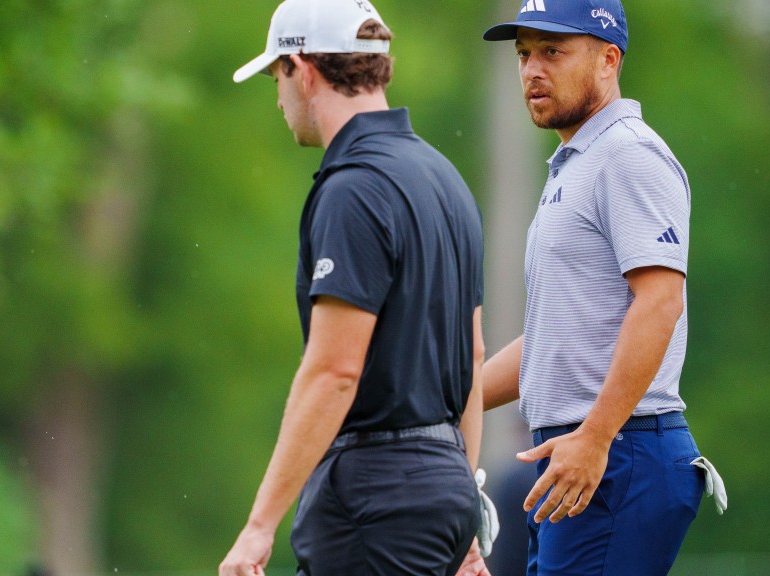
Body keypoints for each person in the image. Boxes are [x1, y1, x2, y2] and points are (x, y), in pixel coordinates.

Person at [220, 0, 487, 574]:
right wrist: (460, 506)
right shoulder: (444, 178)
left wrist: (260, 525)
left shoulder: (353, 188)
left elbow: (335, 371)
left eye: (276, 76)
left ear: (304, 68)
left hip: (375, 499)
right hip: (444, 487)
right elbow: (472, 355)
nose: (277, 97)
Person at [468, 0, 727, 575]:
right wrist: (443, 396)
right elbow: (550, 341)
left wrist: (595, 436)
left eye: (553, 51)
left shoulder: (627, 155)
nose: (533, 69)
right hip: (586, 453)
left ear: (608, 59)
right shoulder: (576, 162)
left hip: (617, 452)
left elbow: (660, 301)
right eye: (524, 54)